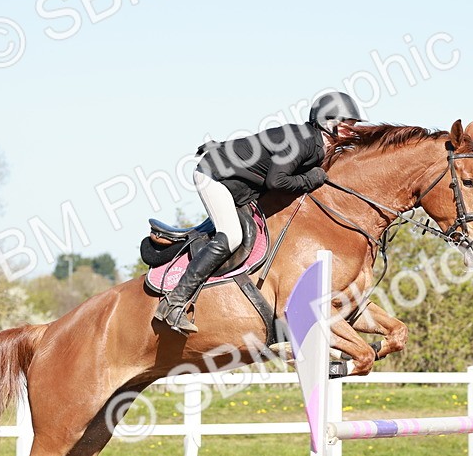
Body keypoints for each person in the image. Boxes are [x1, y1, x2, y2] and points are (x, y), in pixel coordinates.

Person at [154, 91, 365, 334]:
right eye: (349, 126)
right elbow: (277, 181)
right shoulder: (303, 141)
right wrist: (312, 178)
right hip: (215, 175)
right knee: (231, 235)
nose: (353, 131)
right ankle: (174, 303)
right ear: (329, 122)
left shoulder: (317, 144)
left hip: (243, 185)